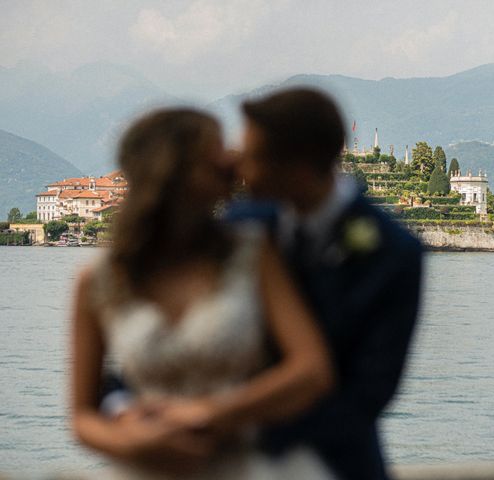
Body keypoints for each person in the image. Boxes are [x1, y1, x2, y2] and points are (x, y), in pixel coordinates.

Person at [70, 108, 338, 479]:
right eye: (214, 149)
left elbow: (311, 370)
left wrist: (214, 413)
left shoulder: (254, 253)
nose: (230, 159)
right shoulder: (98, 282)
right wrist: (132, 444)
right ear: (174, 171)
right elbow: (82, 417)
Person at [227, 88, 424, 480]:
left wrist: (236, 429)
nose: (240, 169)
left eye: (253, 157)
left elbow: (369, 392)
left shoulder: (393, 253)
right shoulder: (240, 224)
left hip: (337, 466)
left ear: (298, 167)